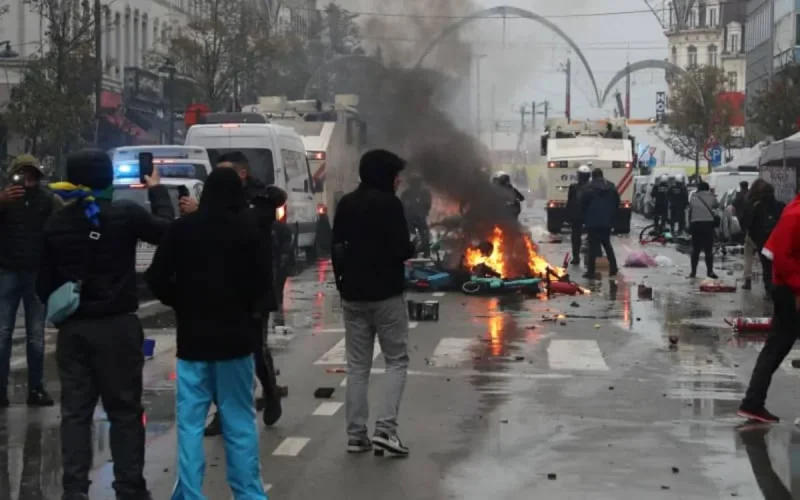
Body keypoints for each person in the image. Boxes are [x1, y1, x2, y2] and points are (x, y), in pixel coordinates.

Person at [37, 149, 174, 500]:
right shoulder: (126, 214)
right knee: (125, 411)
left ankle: (75, 490)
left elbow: (43, 283)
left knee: (76, 413)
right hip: (118, 327)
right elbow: (168, 233)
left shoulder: (56, 223)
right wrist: (157, 192)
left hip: (74, 329)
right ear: (109, 179)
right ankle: (129, 487)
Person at [145, 168, 270, 499]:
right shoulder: (248, 232)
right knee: (239, 421)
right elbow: (262, 287)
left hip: (193, 342)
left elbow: (156, 278)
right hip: (236, 342)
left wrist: (182, 301)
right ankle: (249, 494)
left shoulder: (182, 229)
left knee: (190, 423)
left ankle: (189, 493)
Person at [182, 152, 287, 435]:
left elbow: (257, 218)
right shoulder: (213, 200)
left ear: (241, 174)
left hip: (252, 291)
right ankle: (222, 411)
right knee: (219, 353)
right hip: (220, 289)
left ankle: (270, 390)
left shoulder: (259, 199)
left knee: (255, 348)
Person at [332, 149, 414, 457]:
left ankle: (356, 436)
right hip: (386, 296)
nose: (398, 181)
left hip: (352, 295)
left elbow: (336, 248)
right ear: (384, 175)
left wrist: (343, 283)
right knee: (396, 360)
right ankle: (385, 430)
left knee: (357, 366)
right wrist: (411, 246)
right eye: (395, 175)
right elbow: (400, 250)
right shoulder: (389, 205)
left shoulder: (347, 204)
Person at [0, 154, 62, 408]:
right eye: (20, 174)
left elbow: (63, 226)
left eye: (30, 174)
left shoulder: (48, 200)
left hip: (36, 274)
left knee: (36, 336)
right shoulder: (5, 200)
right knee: (3, 334)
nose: (25, 179)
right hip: (7, 272)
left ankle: (36, 389)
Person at [737, 190, 800, 423]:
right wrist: (797, 289)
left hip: (788, 288)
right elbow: (782, 258)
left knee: (776, 346)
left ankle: (752, 402)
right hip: (789, 290)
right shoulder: (795, 214)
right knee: (776, 346)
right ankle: (752, 402)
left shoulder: (793, 211)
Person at [580, 168, 620, 280]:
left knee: (592, 246)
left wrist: (585, 218)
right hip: (607, 221)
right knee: (607, 244)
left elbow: (582, 203)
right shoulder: (611, 187)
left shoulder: (588, 188)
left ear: (593, 176)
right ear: (602, 175)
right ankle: (613, 268)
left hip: (592, 221)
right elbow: (617, 202)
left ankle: (591, 272)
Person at [746, 182, 784, 297]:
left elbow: (751, 226)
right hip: (778, 240)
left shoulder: (757, 206)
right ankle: (779, 287)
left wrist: (756, 241)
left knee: (766, 266)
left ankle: (768, 289)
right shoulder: (781, 206)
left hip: (763, 241)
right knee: (778, 265)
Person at [687, 181, 719, 279]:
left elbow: (690, 211)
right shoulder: (712, 197)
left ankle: (693, 272)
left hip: (696, 225)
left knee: (695, 250)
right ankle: (710, 271)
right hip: (708, 226)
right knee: (708, 250)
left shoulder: (693, 197)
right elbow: (717, 205)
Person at [739, 179, 767, 290]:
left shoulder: (750, 200)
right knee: (766, 260)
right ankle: (768, 284)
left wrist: (744, 229)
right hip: (767, 234)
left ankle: (748, 280)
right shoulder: (770, 201)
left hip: (752, 234)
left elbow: (744, 217)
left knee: (748, 257)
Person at [400, 176, 432, 258]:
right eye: (414, 182)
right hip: (409, 219)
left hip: (420, 218)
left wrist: (424, 212)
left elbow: (428, 205)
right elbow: (402, 205)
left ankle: (426, 254)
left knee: (424, 236)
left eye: (417, 182)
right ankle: (413, 254)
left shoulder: (425, 193)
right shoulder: (406, 194)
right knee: (412, 237)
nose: (416, 184)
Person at [566, 165, 591, 266]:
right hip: (585, 216)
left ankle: (577, 257)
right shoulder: (589, 187)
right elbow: (570, 202)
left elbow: (570, 203)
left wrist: (567, 215)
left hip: (578, 216)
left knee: (576, 238)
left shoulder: (574, 187)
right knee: (585, 238)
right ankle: (582, 258)